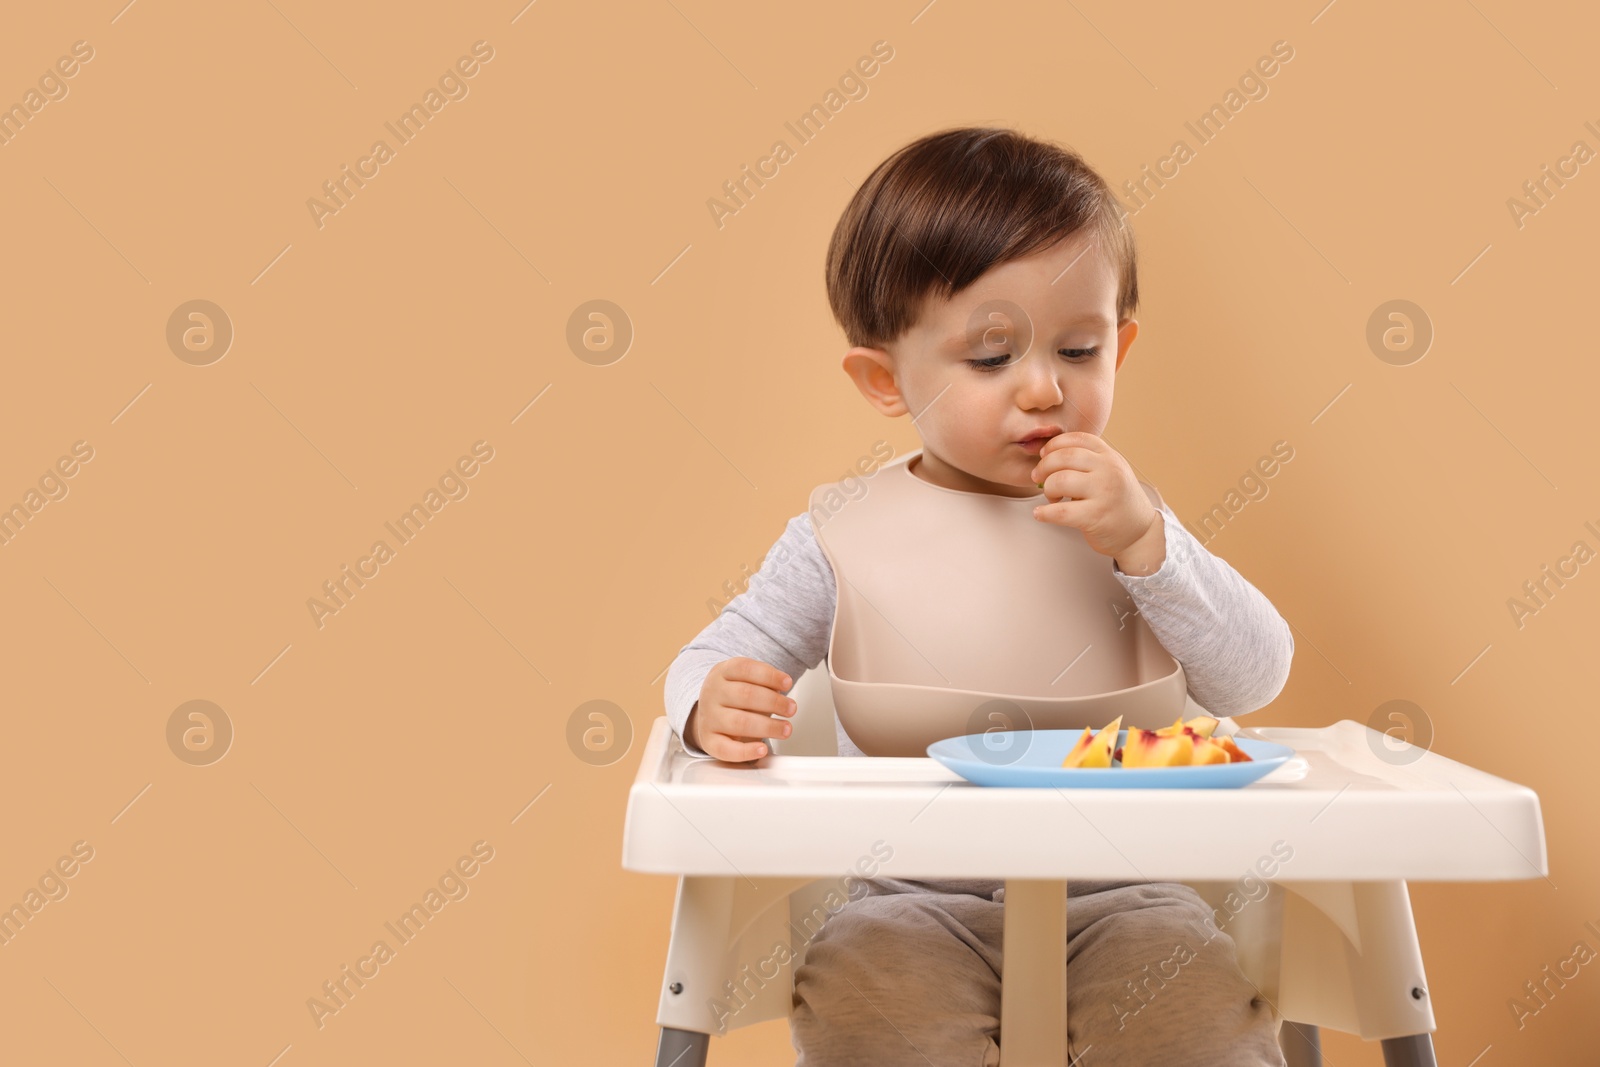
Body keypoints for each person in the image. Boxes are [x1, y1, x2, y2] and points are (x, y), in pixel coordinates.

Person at [663, 125, 1293, 1066]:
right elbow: (713, 652)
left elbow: (1253, 677)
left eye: (1079, 350)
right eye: (992, 359)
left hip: (1121, 893)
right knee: (872, 1010)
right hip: (910, 899)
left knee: (1192, 1017)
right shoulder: (840, 536)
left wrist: (1148, 545)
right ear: (886, 380)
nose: (1044, 388)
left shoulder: (1131, 526)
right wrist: (707, 704)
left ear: (1120, 345)